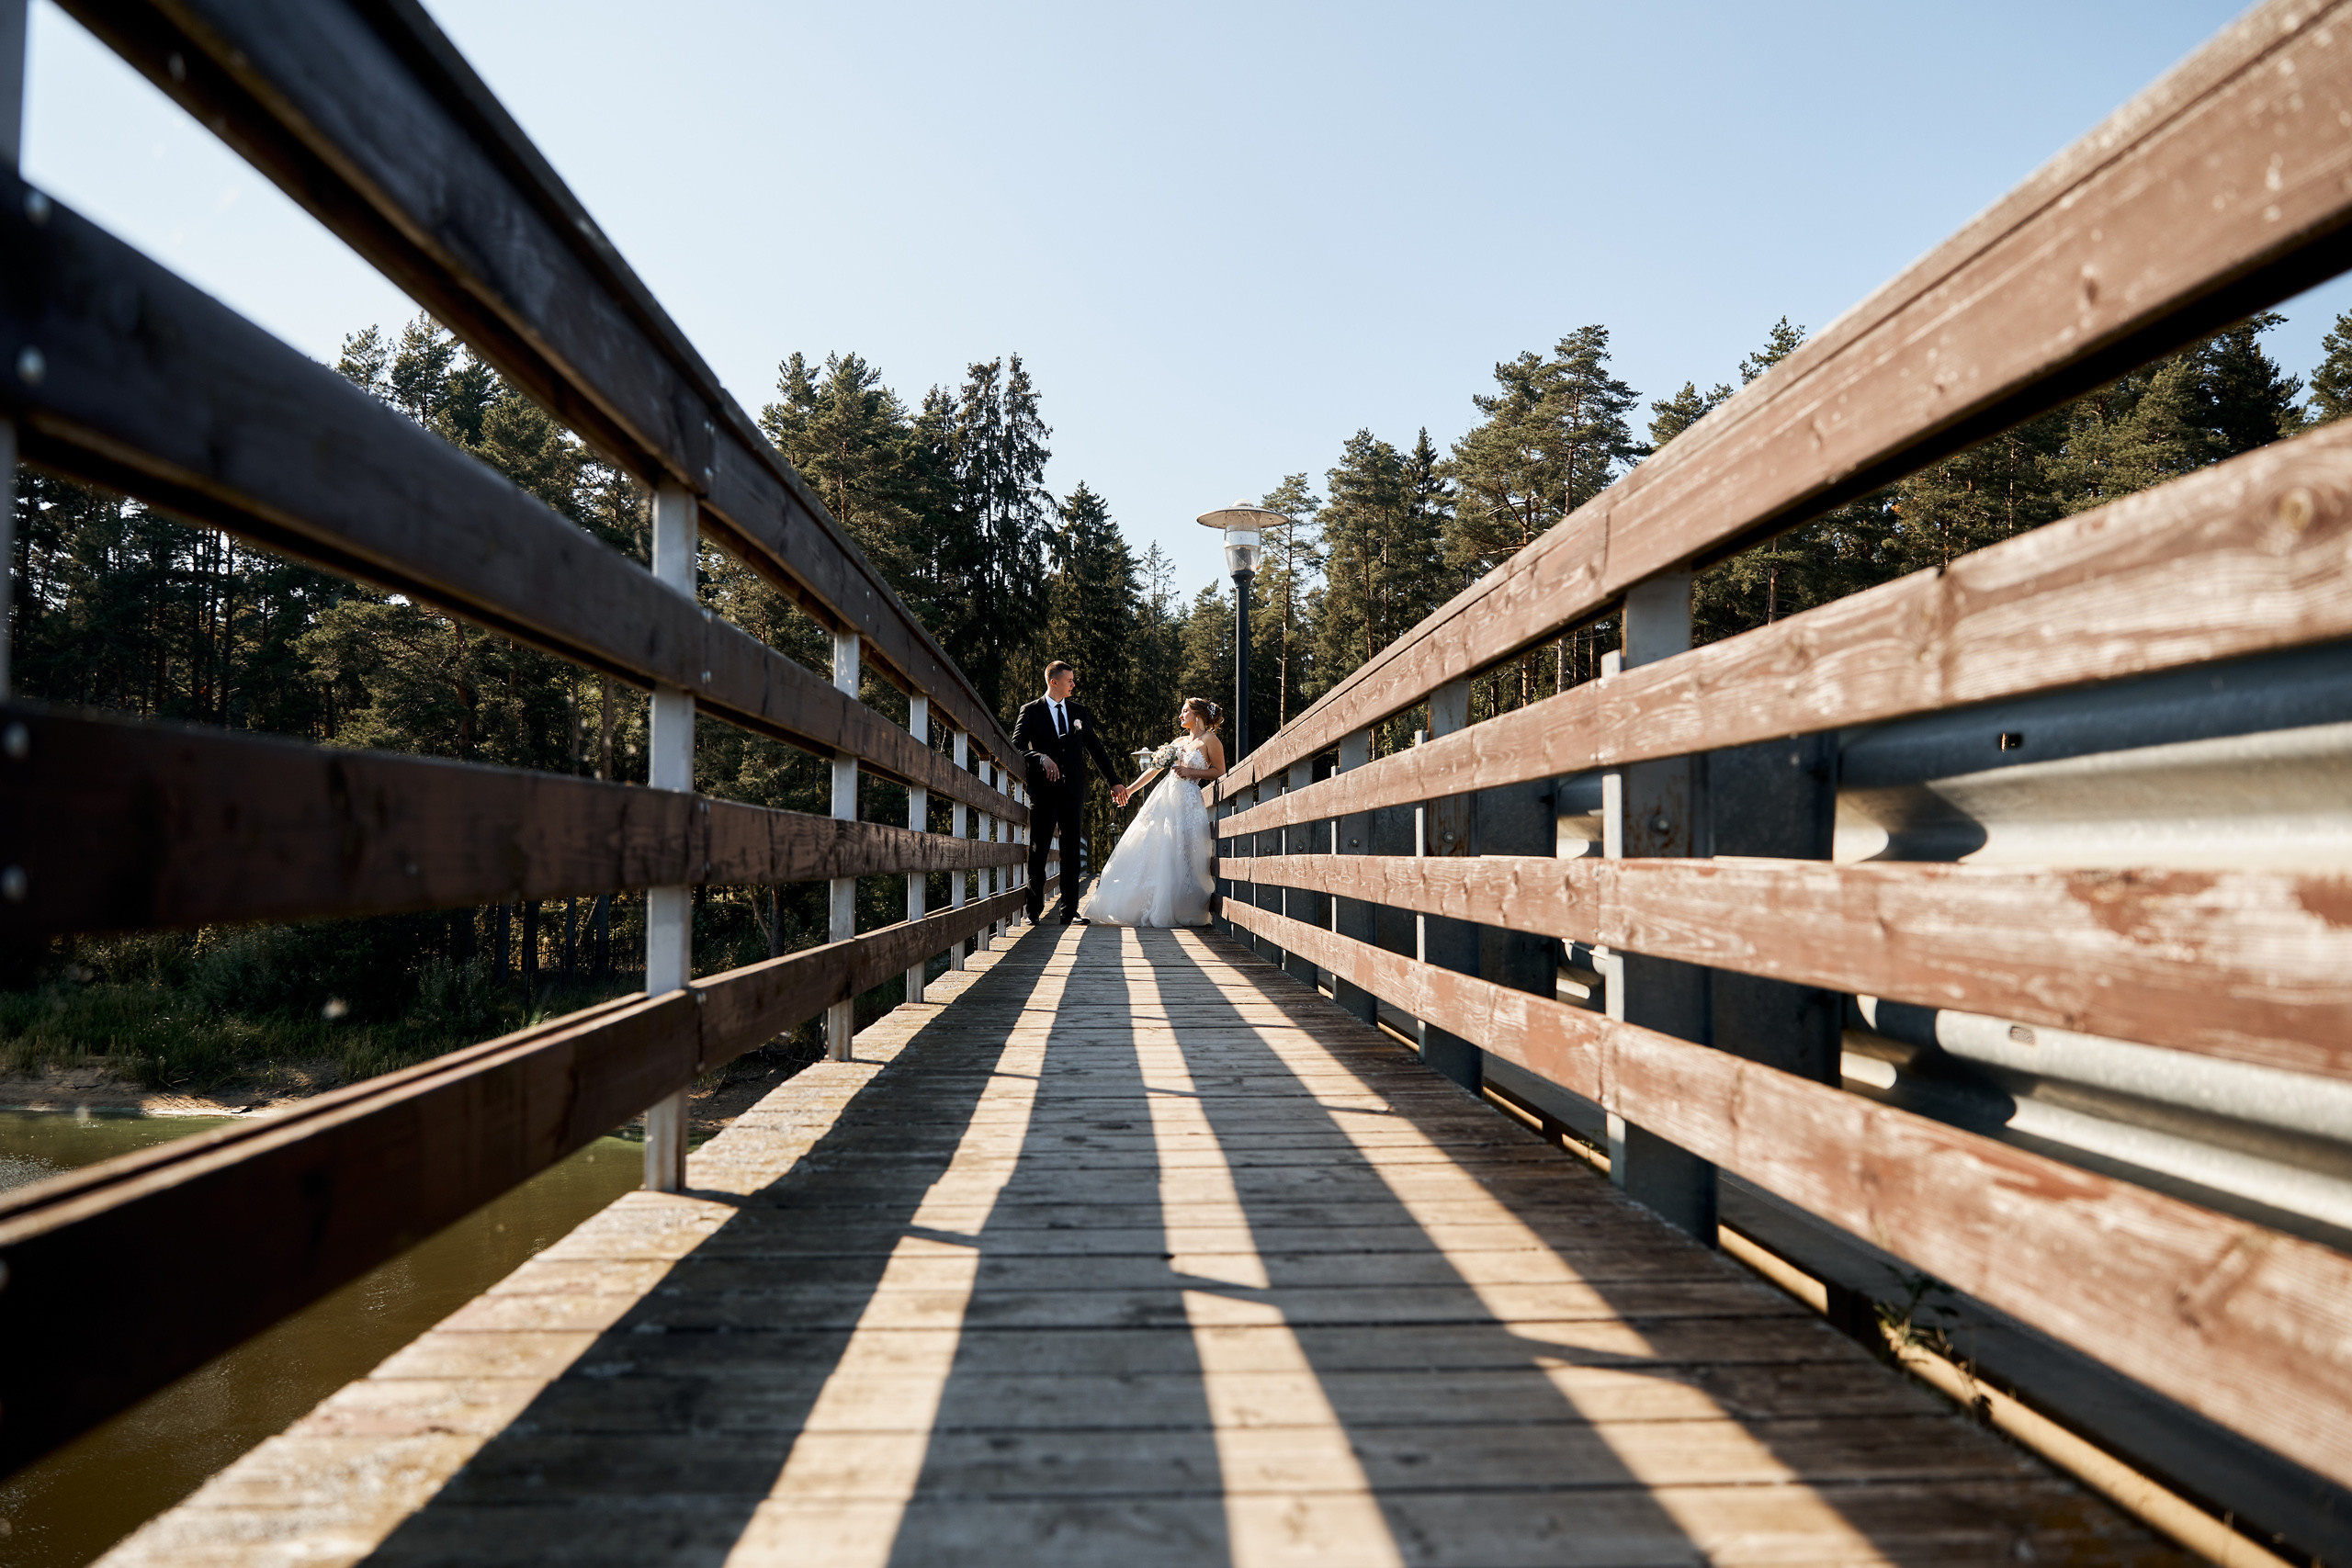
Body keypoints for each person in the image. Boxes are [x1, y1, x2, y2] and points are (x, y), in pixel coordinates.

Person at [1079, 697, 1228, 928]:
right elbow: (1153, 770)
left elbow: (1219, 770)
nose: (1180, 715)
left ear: (1198, 715)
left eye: (1185, 711)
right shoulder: (1178, 741)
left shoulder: (1211, 740)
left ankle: (1183, 906)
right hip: (1165, 798)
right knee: (1158, 847)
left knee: (1187, 851)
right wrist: (1129, 790)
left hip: (1188, 800)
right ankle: (1153, 904)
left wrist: (1189, 771)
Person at [1012, 660, 1127, 925]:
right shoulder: (1031, 711)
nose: (1073, 684)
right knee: (1039, 849)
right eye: (1069, 680)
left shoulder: (1078, 711)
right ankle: (1033, 911)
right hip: (1043, 791)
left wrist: (1114, 782)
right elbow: (1016, 745)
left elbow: (1096, 749)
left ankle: (1070, 910)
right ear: (1054, 682)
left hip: (1073, 791)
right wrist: (1039, 757)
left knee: (1072, 850)